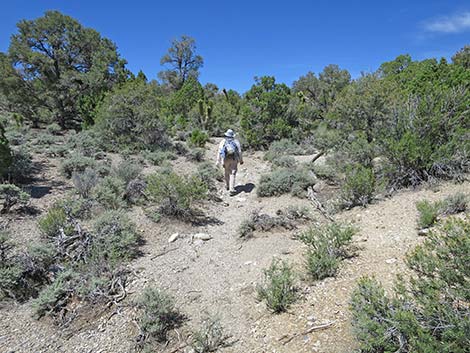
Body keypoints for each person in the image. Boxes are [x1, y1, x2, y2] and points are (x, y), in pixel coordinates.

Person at [216, 129, 244, 196]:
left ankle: (227, 185)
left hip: (225, 159)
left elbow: (219, 151)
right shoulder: (236, 141)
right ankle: (231, 189)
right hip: (234, 159)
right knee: (233, 172)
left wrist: (218, 160)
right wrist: (241, 160)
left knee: (226, 171)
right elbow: (239, 152)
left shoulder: (223, 141)